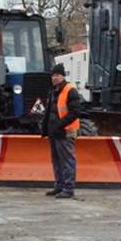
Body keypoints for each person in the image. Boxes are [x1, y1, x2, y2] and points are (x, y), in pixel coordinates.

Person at [41, 63, 81, 199]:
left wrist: (59, 125)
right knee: (57, 161)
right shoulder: (53, 92)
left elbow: (75, 112)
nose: (54, 78)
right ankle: (59, 186)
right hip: (55, 132)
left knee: (67, 161)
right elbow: (49, 112)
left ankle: (68, 189)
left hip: (66, 131)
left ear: (63, 76)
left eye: (57, 75)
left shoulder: (70, 91)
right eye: (53, 75)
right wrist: (45, 127)